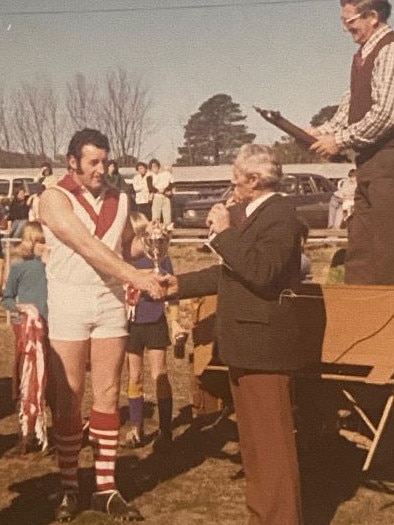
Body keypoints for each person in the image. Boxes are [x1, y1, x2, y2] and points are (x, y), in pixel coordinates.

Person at [167, 144, 303, 525]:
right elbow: (229, 273)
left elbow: (261, 271)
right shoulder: (254, 215)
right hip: (245, 345)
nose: (231, 183)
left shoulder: (281, 217)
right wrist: (175, 284)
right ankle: (262, 516)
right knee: (255, 445)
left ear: (255, 180)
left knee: (272, 448)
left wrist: (225, 233)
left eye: (236, 177)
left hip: (265, 348)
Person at [39, 128, 168, 522]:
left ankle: (106, 487)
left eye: (105, 161)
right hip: (69, 299)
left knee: (108, 392)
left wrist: (149, 243)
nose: (101, 169)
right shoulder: (53, 198)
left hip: (110, 300)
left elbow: (121, 245)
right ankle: (68, 486)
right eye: (92, 162)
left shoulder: (120, 197)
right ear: (72, 162)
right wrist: (137, 276)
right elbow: (88, 247)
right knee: (70, 393)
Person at [307, 0, 394, 284]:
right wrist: (320, 134)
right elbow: (348, 109)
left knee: (386, 248)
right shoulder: (362, 57)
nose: (347, 29)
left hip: (388, 165)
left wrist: (338, 141)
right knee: (362, 247)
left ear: (372, 16)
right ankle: (361, 313)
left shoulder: (390, 49)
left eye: (350, 21)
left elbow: (385, 114)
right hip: (369, 165)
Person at [124, 212, 183, 453]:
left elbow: (174, 291)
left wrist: (175, 321)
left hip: (155, 319)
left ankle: (165, 429)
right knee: (134, 376)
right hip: (131, 322)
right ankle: (136, 426)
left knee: (160, 373)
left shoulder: (162, 256)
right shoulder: (122, 259)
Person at [2, 222, 49, 454]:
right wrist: (21, 308)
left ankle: (50, 433)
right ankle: (25, 434)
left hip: (49, 329)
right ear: (30, 242)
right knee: (24, 380)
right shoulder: (19, 268)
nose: (44, 245)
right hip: (25, 331)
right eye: (40, 241)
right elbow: (7, 297)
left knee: (48, 380)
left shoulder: (53, 268)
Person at [150, 160, 174, 225]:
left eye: (156, 166)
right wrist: (158, 191)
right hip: (157, 196)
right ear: (151, 168)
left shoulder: (166, 174)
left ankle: (167, 231)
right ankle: (155, 231)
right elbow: (150, 187)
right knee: (156, 216)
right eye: (153, 167)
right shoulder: (150, 176)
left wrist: (165, 190)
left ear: (158, 167)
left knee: (167, 215)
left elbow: (171, 184)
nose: (155, 168)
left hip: (166, 196)